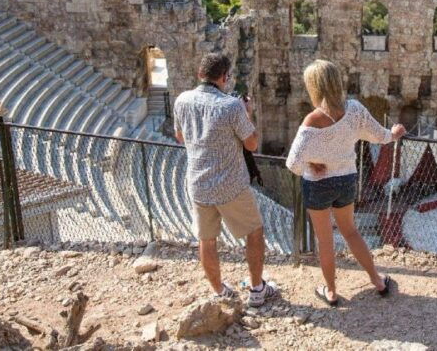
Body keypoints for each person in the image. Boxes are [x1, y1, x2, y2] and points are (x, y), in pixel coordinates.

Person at [286, 59, 406, 306]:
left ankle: (330, 292)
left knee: (325, 239)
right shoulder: (354, 110)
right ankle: (378, 281)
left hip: (318, 184)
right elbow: (380, 136)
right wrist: (394, 134)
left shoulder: (311, 121)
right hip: (346, 179)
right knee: (351, 231)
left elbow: (293, 164)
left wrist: (312, 163)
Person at [174, 53, 278, 307]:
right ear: (224, 77)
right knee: (254, 232)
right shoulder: (231, 106)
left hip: (198, 183)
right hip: (230, 185)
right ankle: (257, 290)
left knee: (207, 239)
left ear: (200, 74)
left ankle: (220, 292)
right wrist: (247, 113)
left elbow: (180, 137)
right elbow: (251, 143)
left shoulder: (182, 100)